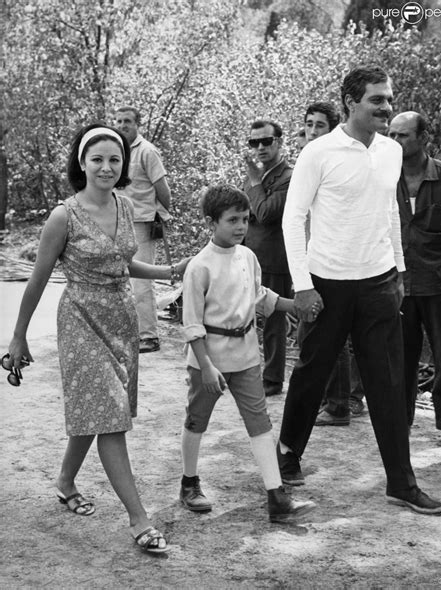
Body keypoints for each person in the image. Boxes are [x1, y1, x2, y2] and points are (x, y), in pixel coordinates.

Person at [5, 123, 189, 554]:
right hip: (81, 321)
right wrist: (18, 338)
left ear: (124, 164)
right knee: (109, 415)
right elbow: (36, 280)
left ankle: (65, 481)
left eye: (114, 159)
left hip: (121, 321)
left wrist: (167, 272)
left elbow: (121, 263)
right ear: (82, 164)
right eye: (97, 159)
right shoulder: (63, 215)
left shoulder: (126, 207)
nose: (106, 167)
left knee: (98, 408)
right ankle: (139, 519)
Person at [278, 64, 441, 515]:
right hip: (327, 284)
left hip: (379, 282)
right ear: (351, 102)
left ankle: (402, 483)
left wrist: (400, 270)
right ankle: (287, 455)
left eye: (389, 99)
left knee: (388, 384)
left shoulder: (391, 151)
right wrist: (303, 286)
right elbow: (293, 220)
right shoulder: (319, 152)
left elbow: (390, 213)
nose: (386, 107)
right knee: (313, 373)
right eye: (377, 100)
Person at [179, 183, 316, 522]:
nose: (241, 227)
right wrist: (207, 367)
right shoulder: (199, 267)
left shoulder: (248, 257)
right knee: (197, 419)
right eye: (232, 220)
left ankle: (276, 497)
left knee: (260, 423)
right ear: (212, 222)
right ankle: (189, 483)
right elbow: (192, 324)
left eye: (245, 219)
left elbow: (259, 297)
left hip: (245, 355)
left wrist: (296, 305)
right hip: (208, 359)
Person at [389, 112, 441, 447]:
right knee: (398, 359)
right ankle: (398, 423)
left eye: (402, 136)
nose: (394, 142)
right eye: (390, 135)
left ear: (423, 139)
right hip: (397, 285)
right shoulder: (382, 178)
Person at [300, 101, 366, 425]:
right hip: (317, 257)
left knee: (330, 332)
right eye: (309, 124)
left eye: (320, 125)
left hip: (339, 263)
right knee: (318, 332)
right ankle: (337, 399)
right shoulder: (313, 159)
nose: (313, 131)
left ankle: (339, 404)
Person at [115, 106, 172, 353]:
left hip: (141, 222)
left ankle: (149, 335)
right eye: (118, 121)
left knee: (141, 280)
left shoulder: (147, 151)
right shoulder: (116, 150)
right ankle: (129, 332)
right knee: (119, 278)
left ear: (137, 124)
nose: (122, 125)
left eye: (127, 121)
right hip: (117, 221)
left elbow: (163, 188)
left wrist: (162, 214)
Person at [243, 120, 293, 397]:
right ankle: (246, 372)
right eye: (254, 142)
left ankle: (273, 379)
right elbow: (241, 210)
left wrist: (253, 185)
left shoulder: (289, 176)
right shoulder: (256, 175)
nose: (260, 147)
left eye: (266, 141)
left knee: (274, 320)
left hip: (276, 257)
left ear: (280, 142)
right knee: (244, 317)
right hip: (249, 255)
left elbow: (265, 213)